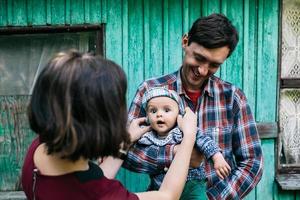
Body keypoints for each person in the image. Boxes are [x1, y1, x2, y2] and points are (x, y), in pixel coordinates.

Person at [21, 50, 198, 200]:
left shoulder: (39, 148)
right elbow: (167, 196)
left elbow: (88, 181)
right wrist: (189, 136)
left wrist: (125, 144)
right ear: (105, 122)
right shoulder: (100, 194)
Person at [127, 13, 263, 199]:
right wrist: (174, 154)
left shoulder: (233, 98)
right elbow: (126, 153)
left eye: (214, 65)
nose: (202, 70)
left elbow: (252, 163)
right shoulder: (149, 92)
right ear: (185, 42)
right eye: (199, 58)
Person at [123, 87, 231, 199]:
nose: (159, 115)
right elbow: (135, 153)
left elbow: (205, 141)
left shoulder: (184, 129)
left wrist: (217, 157)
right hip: (160, 187)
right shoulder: (146, 137)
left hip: (192, 185)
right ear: (147, 117)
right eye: (153, 111)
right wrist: (128, 139)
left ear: (178, 114)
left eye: (166, 110)